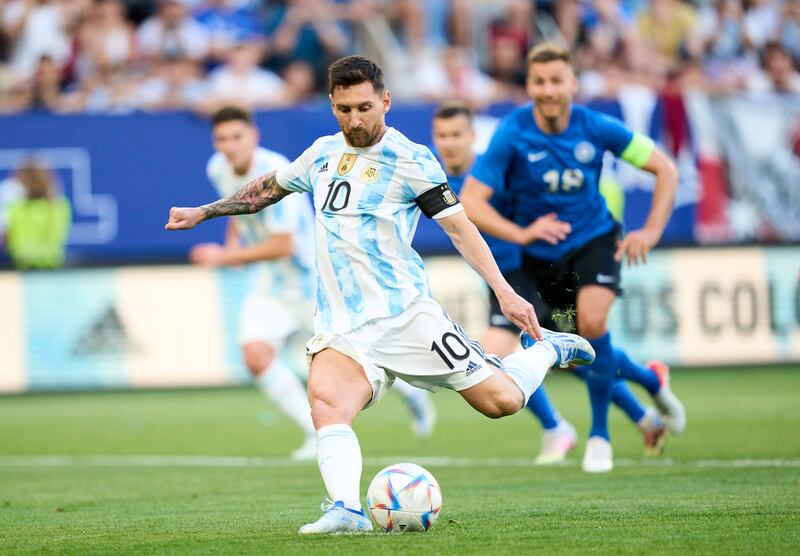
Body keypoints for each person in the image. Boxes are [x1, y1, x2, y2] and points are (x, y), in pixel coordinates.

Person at [166, 55, 595, 534]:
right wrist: (203, 212)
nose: (355, 119)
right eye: (344, 108)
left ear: (385, 102)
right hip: (342, 325)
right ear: (332, 105)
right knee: (327, 403)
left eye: (365, 107)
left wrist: (506, 292)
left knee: (502, 402)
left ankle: (548, 349)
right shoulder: (322, 154)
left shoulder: (411, 160)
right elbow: (268, 188)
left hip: (406, 317)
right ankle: (346, 509)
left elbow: (460, 229)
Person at [461, 43, 686, 474]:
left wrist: (652, 230)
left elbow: (667, 170)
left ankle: (599, 437)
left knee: (593, 324)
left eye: (556, 81)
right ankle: (652, 380)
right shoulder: (513, 132)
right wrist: (521, 232)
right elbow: (471, 201)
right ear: (529, 85)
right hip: (540, 259)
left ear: (573, 84)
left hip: (594, 240)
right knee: (573, 351)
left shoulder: (596, 126)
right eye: (540, 82)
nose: (548, 90)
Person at [190, 106, 437, 461]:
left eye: (236, 137)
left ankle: (414, 395)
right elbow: (237, 208)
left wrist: (223, 257)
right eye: (222, 139)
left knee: (364, 354)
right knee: (255, 355)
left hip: (313, 283)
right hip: (270, 285)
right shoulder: (217, 168)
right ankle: (314, 433)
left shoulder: (275, 171)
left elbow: (283, 245)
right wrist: (232, 244)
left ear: (253, 137)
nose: (229, 146)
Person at [432, 101, 669, 464]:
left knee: (497, 354)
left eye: (456, 135)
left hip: (527, 274)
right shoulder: (433, 177)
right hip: (500, 281)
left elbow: (535, 203)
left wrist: (527, 235)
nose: (449, 143)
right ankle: (646, 404)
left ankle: (556, 427)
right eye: (442, 135)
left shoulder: (493, 172)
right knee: (573, 356)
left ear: (472, 136)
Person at [3, 160, 71, 269]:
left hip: (48, 268)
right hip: (25, 268)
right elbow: (8, 240)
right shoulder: (16, 207)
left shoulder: (56, 206)